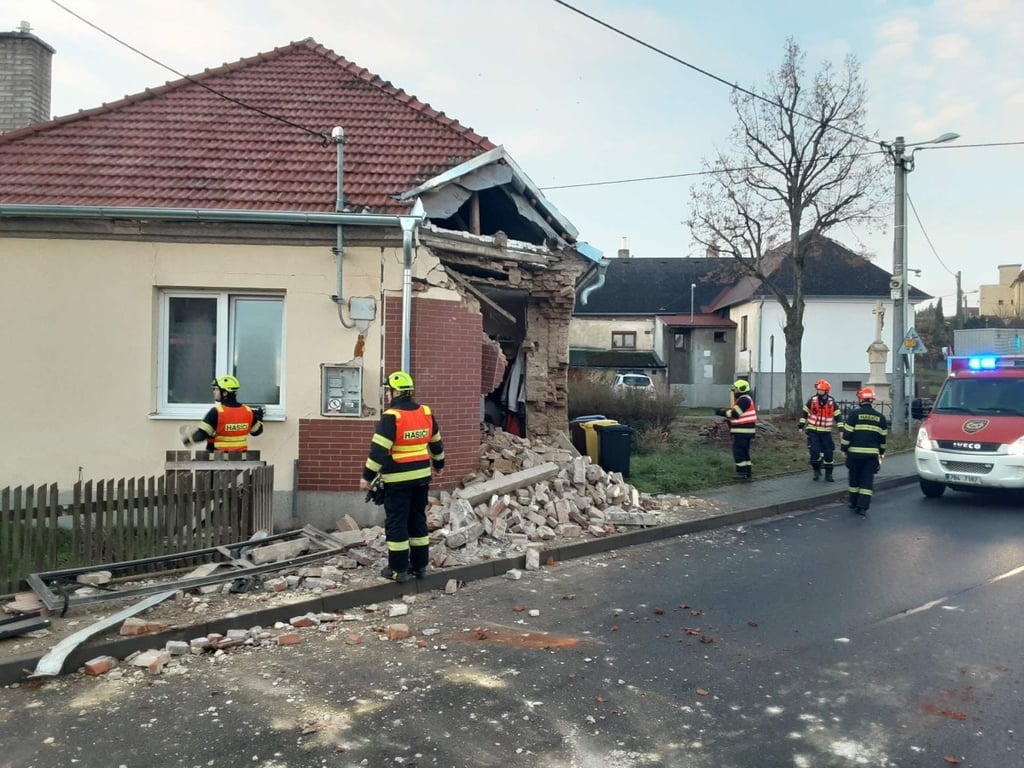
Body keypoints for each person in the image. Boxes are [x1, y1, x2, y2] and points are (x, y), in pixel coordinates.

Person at [360, 371, 445, 582]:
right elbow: (436, 443)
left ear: (395, 392)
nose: (387, 395)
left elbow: (379, 451)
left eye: (387, 391)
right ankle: (420, 566)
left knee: (397, 523)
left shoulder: (392, 417)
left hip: (397, 480)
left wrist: (367, 477)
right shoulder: (425, 412)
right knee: (417, 520)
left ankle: (398, 570)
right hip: (422, 479)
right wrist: (439, 464)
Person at [180, 375, 264, 451]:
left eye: (216, 389)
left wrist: (188, 440)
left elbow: (201, 435)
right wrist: (259, 417)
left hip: (218, 459)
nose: (214, 392)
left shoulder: (216, 412)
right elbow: (256, 432)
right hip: (241, 460)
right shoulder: (247, 411)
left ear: (225, 393)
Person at [841, 387, 888, 515]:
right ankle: (862, 507)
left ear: (861, 399)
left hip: (854, 454)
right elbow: (882, 439)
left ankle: (853, 502)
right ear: (872, 400)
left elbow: (847, 435)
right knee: (867, 481)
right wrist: (881, 453)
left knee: (854, 479)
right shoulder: (881, 418)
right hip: (871, 456)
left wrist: (844, 449)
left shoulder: (854, 415)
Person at [799, 379, 843, 482]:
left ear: (826, 391)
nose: (819, 392)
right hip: (813, 431)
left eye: (821, 391)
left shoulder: (832, 402)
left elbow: (838, 416)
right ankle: (816, 471)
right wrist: (801, 425)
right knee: (814, 453)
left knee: (828, 454)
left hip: (826, 433)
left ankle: (829, 474)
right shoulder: (812, 400)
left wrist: (841, 429)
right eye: (818, 390)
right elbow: (804, 412)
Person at [715, 379, 758, 480]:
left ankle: (741, 472)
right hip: (745, 431)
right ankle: (747, 472)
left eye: (736, 389)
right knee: (744, 452)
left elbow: (735, 413)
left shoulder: (744, 399)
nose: (734, 391)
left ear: (741, 389)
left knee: (738, 451)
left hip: (742, 431)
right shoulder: (745, 399)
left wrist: (721, 412)